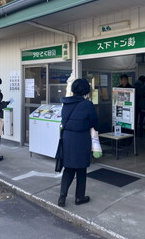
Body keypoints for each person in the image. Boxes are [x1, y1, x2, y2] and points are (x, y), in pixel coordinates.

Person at [58, 78, 99, 207]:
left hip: (67, 138)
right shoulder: (88, 104)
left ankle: (62, 197)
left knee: (68, 168)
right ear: (86, 90)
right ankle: (79, 197)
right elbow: (94, 122)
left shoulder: (66, 103)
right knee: (81, 169)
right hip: (81, 139)